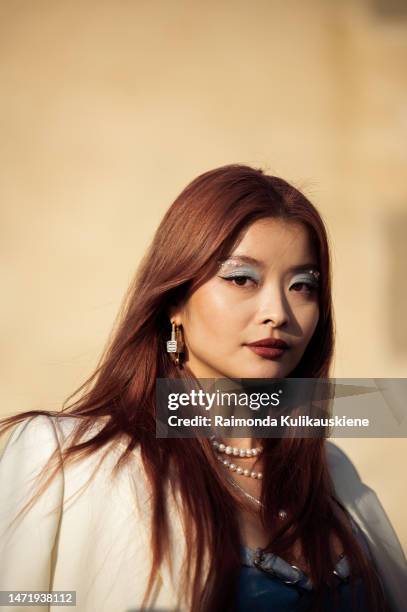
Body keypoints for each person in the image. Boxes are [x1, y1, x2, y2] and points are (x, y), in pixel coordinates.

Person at [0, 164, 405, 612]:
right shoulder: (64, 460)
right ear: (175, 300)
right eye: (241, 279)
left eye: (302, 286)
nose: (277, 312)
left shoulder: (333, 472)